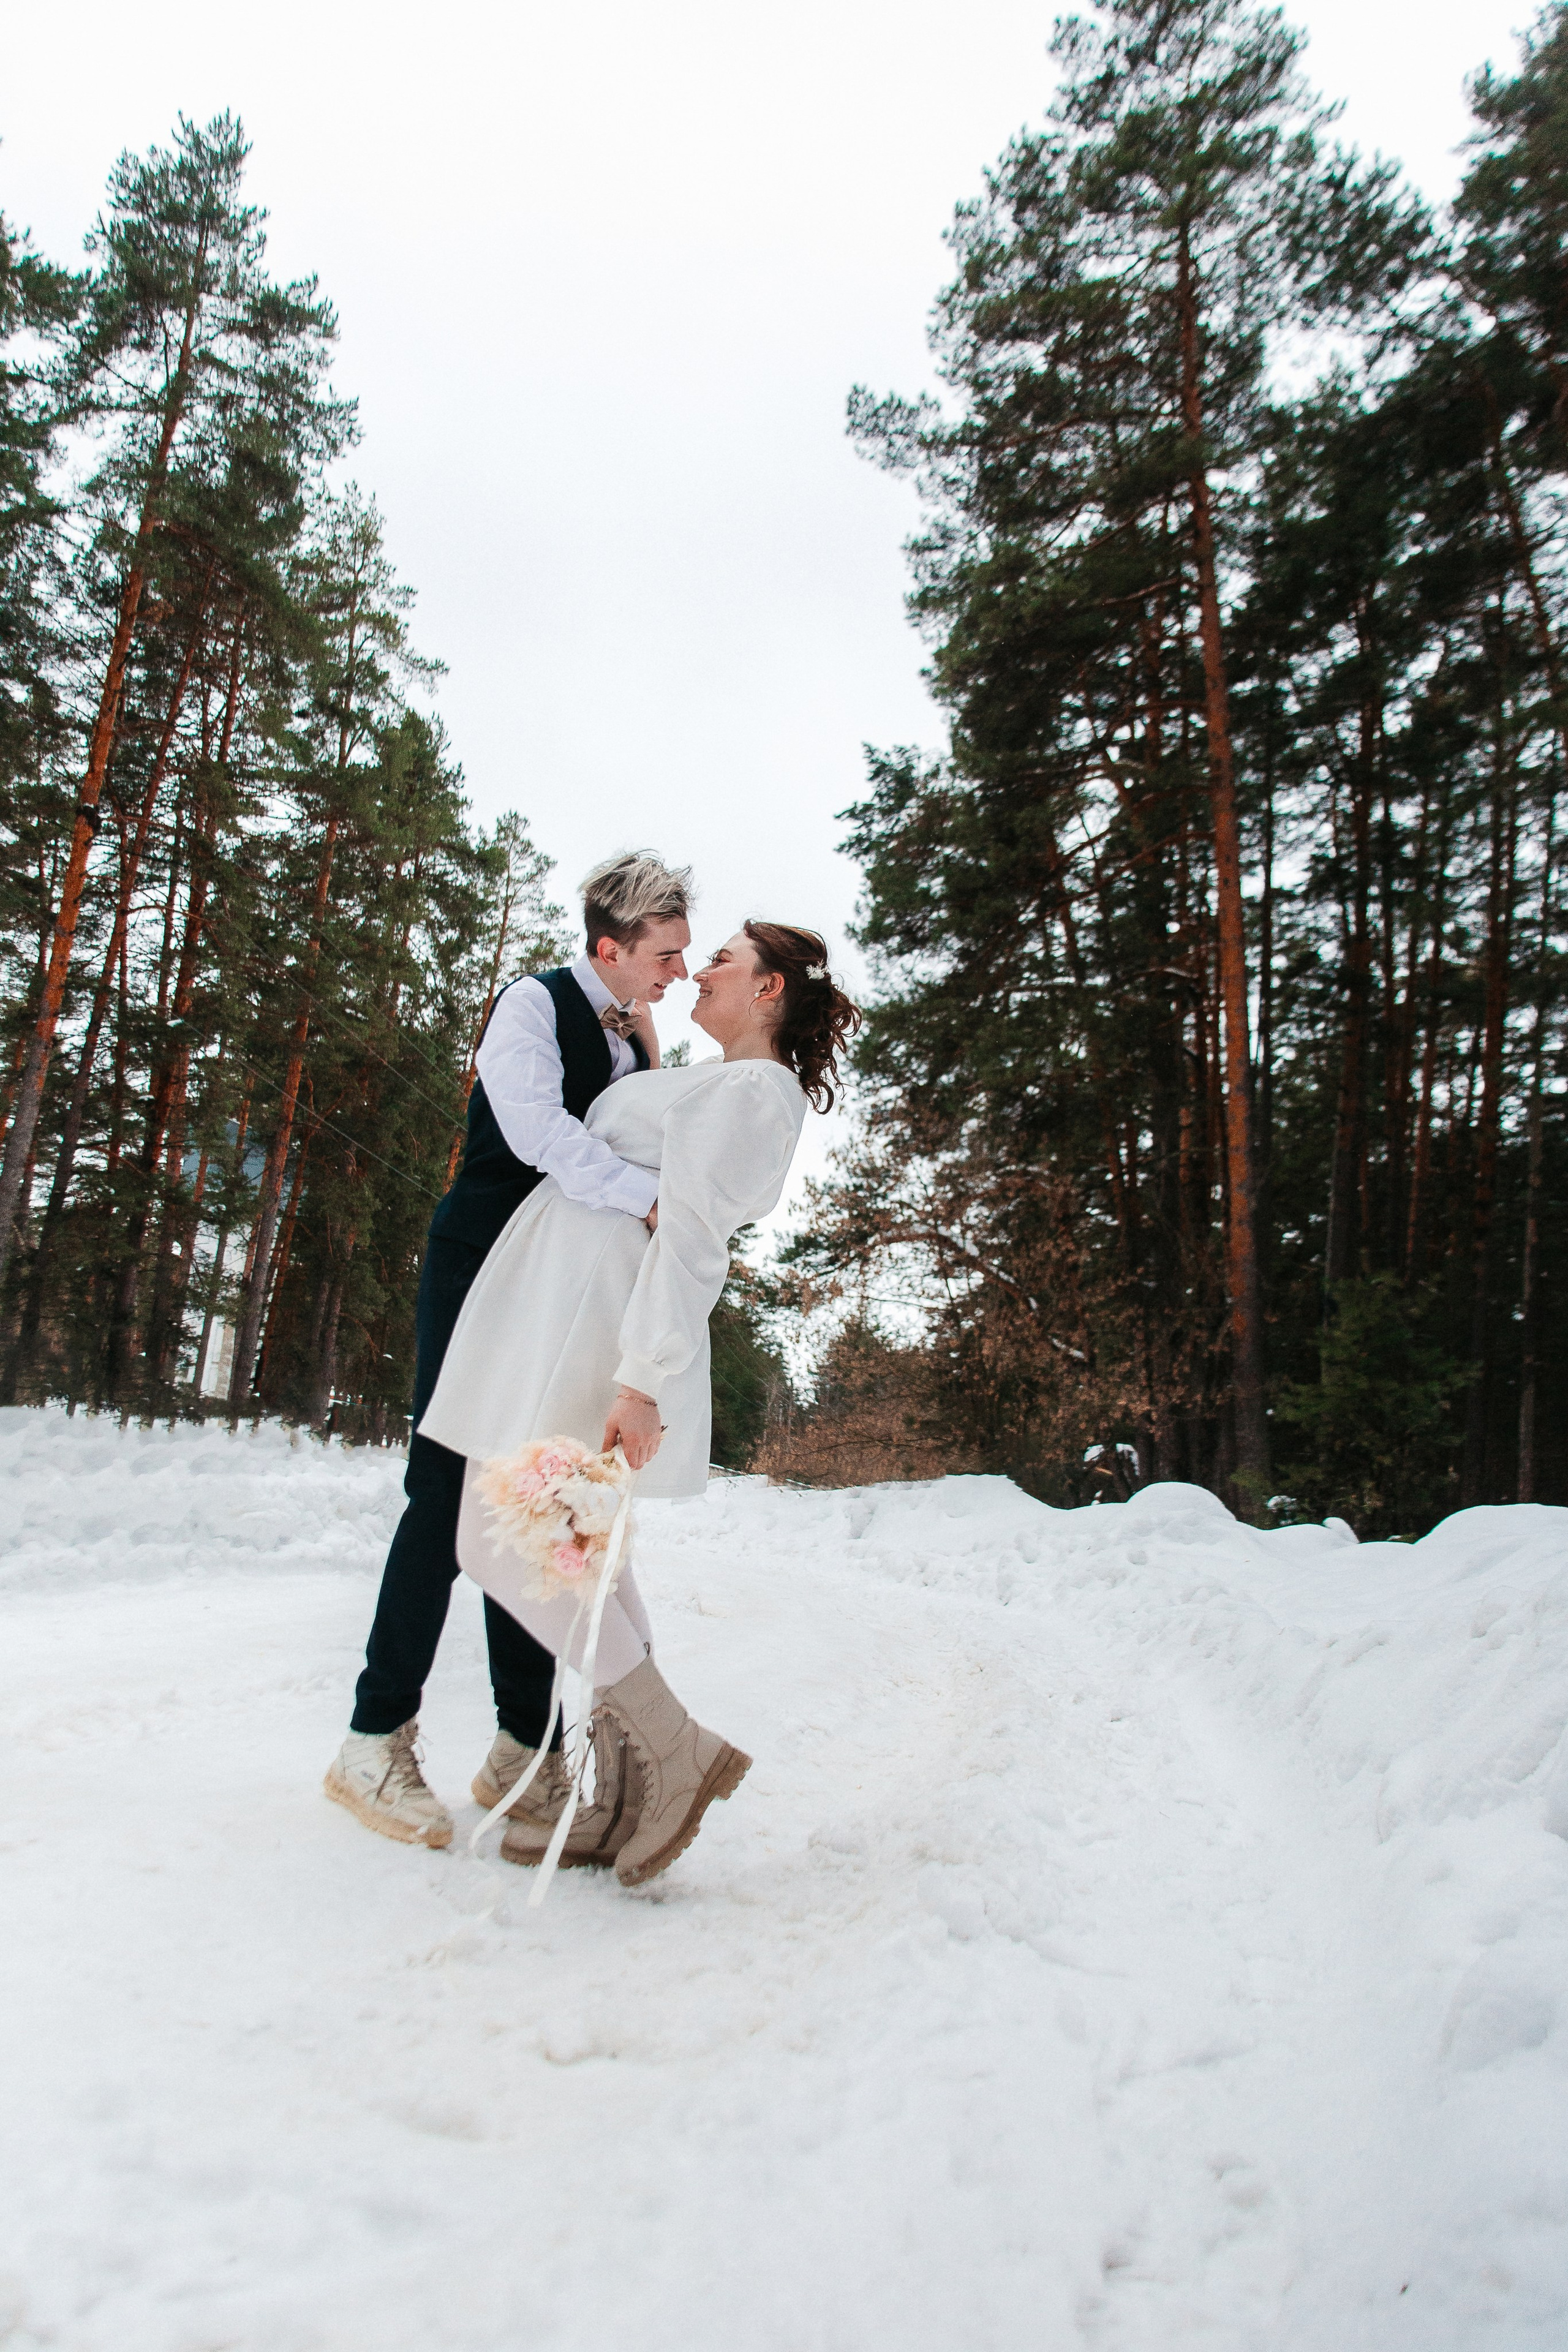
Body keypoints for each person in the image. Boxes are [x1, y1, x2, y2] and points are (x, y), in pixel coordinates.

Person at [418, 921, 860, 1887]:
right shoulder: (718, 1078)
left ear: (772, 990)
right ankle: (624, 1790)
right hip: (573, 1303)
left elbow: (696, 1238)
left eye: (724, 962)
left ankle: (673, 1751)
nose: (700, 971)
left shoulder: (755, 1090)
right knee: (585, 1555)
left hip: (603, 1320)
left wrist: (642, 1379)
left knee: (509, 1535)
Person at [325, 850, 693, 1850]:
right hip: (482, 1265)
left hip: (563, 1293)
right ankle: (371, 1740)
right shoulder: (530, 1008)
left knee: (538, 1504)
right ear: (610, 947)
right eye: (664, 955)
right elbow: (537, 1134)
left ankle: (523, 1752)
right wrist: (646, 1202)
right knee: (446, 1493)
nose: (678, 973)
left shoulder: (635, 1038)